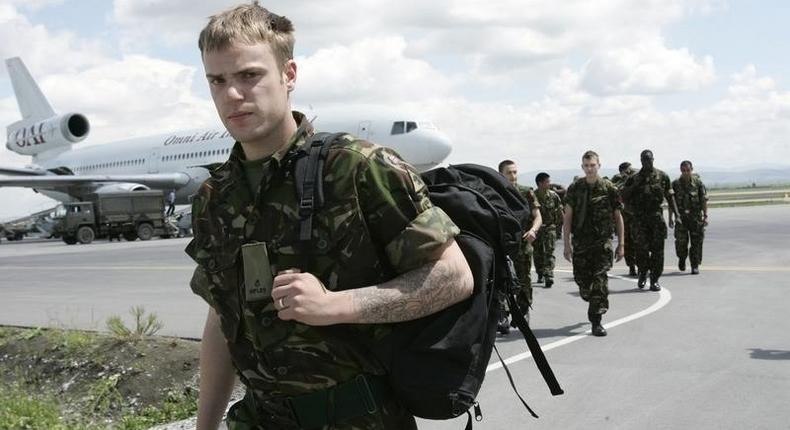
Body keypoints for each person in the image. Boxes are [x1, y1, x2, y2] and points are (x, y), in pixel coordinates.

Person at [185, 4, 474, 429]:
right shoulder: (215, 196)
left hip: (358, 418)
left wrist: (336, 304)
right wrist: (205, 425)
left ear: (289, 75)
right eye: (218, 80)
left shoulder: (357, 167)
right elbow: (221, 318)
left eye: (249, 75)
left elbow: (453, 277)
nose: (232, 95)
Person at [563, 151, 624, 337]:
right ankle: (592, 301)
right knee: (583, 284)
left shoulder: (609, 188)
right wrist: (566, 244)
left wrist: (621, 244)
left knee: (600, 281)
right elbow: (567, 217)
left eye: (593, 165)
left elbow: (618, 217)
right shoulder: (575, 188)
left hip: (601, 244)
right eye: (586, 166)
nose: (590, 169)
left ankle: (596, 320)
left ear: (599, 165)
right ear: (582, 167)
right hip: (581, 243)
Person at [621, 150, 680, 291]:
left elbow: (670, 196)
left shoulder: (662, 176)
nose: (647, 162)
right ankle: (642, 273)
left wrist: (677, 215)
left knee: (658, 251)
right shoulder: (633, 178)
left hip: (656, 218)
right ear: (641, 161)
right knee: (641, 251)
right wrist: (635, 186)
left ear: (653, 159)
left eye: (649, 160)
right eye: (644, 160)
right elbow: (624, 196)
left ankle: (654, 279)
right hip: (639, 219)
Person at [497, 159, 542, 326]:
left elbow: (538, 216)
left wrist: (533, 230)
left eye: (515, 172)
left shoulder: (526, 192)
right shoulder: (494, 193)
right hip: (502, 245)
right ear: (501, 174)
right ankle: (501, 314)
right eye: (509, 172)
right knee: (500, 280)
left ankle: (522, 310)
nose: (513, 176)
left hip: (522, 245)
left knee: (524, 282)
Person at [669, 160, 708, 274]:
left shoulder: (698, 183)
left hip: (695, 218)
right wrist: (670, 217)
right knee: (681, 243)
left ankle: (694, 265)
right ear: (681, 170)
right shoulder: (675, 184)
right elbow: (672, 202)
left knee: (696, 243)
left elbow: (703, 200)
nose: (686, 172)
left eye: (688, 170)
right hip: (681, 219)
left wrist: (705, 216)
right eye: (684, 170)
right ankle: (682, 258)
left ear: (692, 170)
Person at [532, 172, 563, 288]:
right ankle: (540, 272)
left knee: (549, 252)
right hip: (537, 229)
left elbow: (560, 212)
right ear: (540, 183)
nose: (549, 184)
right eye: (547, 182)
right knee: (538, 253)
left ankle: (549, 275)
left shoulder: (554, 196)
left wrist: (559, 229)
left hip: (550, 228)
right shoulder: (532, 196)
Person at [611, 162, 637, 276]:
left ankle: (641, 265)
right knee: (627, 243)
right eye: (628, 170)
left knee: (639, 242)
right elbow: (616, 193)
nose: (630, 172)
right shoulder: (617, 181)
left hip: (636, 216)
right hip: (624, 217)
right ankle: (631, 266)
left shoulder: (635, 178)